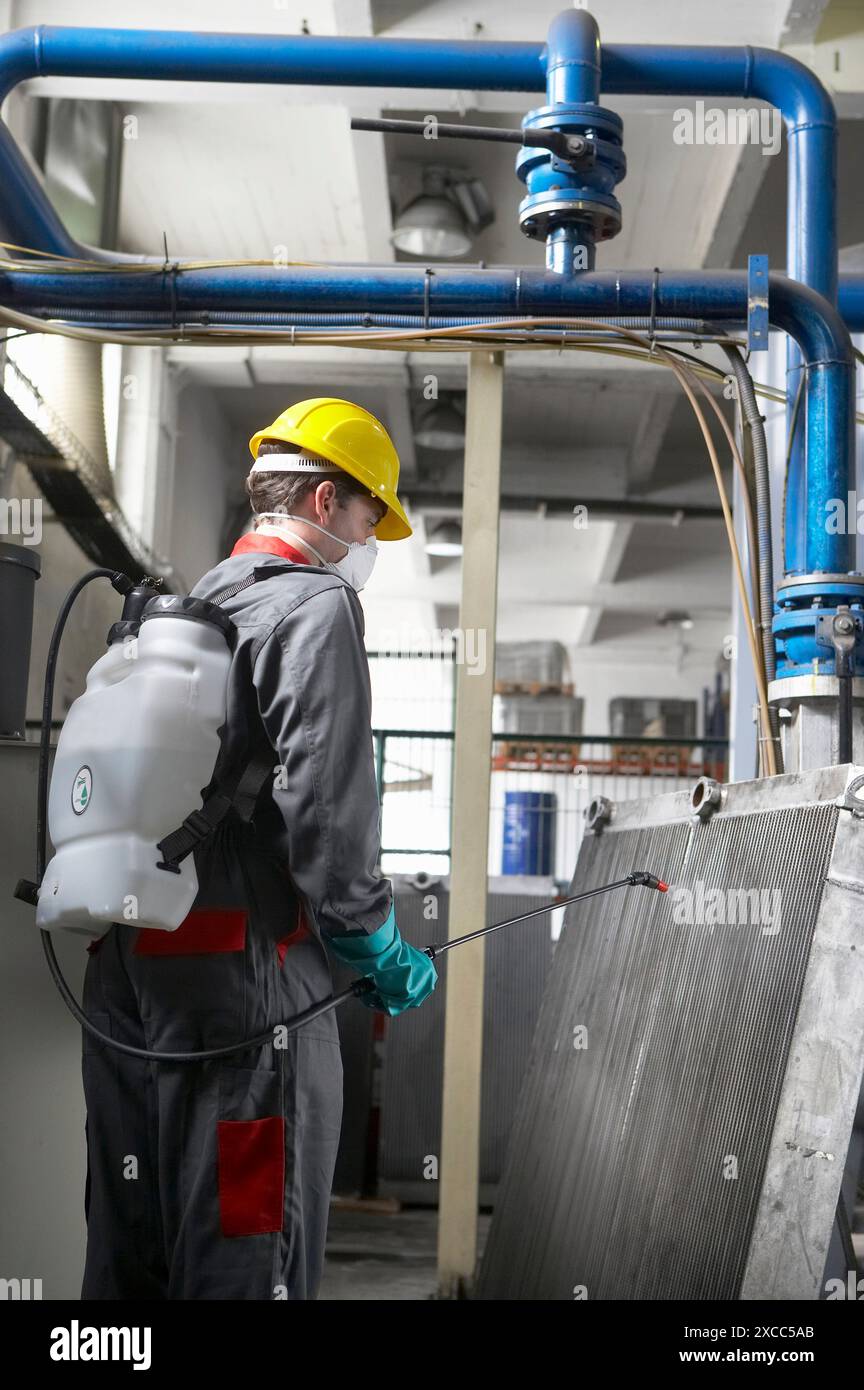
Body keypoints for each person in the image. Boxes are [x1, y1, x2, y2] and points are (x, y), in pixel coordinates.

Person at [79, 397, 437, 1300]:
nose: (371, 545)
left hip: (132, 965)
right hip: (249, 985)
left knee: (133, 1249)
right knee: (245, 1244)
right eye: (367, 519)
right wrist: (371, 942)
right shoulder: (314, 608)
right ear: (324, 504)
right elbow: (328, 805)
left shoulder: (181, 613)